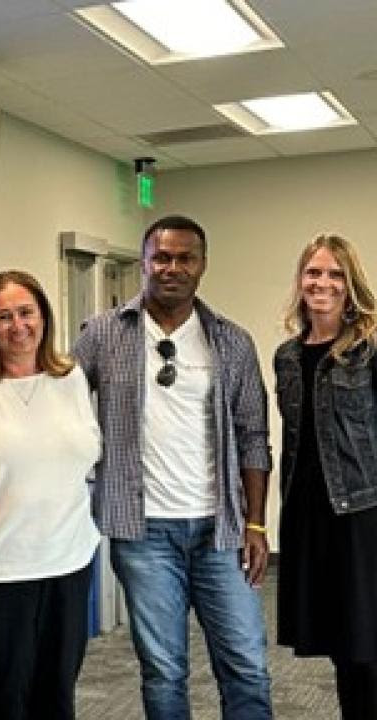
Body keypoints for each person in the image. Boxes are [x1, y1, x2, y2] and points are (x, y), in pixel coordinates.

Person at [73, 215, 273, 719]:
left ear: (202, 266)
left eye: (185, 258)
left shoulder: (231, 340)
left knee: (247, 665)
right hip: (144, 534)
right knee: (164, 672)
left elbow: (254, 435)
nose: (172, 267)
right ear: (143, 262)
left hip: (221, 531)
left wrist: (255, 521)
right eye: (161, 257)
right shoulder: (102, 335)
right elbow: (62, 407)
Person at [0, 270, 101, 720]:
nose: (18, 326)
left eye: (26, 312)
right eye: (3, 316)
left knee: (58, 694)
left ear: (44, 316)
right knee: (7, 696)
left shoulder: (72, 378)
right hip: (0, 567)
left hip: (70, 560)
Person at [273, 233, 377, 719]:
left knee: (368, 644)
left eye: (335, 273)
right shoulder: (288, 356)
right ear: (301, 280)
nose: (323, 282)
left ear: (350, 283)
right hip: (310, 515)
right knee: (341, 642)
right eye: (314, 272)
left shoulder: (370, 348)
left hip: (363, 514)